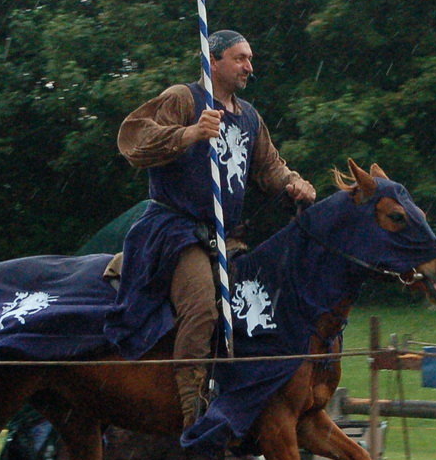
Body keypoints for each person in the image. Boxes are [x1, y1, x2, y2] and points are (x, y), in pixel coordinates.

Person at [111, 31, 317, 425]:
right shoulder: (183, 98)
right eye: (240, 59)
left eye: (250, 59)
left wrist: (293, 182)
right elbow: (134, 139)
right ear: (213, 60)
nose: (248, 68)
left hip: (227, 237)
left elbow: (269, 166)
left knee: (259, 299)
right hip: (175, 230)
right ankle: (192, 406)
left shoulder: (250, 116)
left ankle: (248, 390)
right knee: (204, 307)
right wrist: (190, 133)